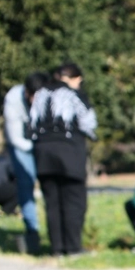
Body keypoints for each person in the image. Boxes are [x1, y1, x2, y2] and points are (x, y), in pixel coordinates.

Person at [30, 62, 97, 257]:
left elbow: (32, 123)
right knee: (74, 201)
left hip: (43, 154)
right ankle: (73, 248)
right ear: (72, 78)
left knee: (52, 202)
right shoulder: (73, 95)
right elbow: (88, 123)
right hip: (69, 153)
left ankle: (57, 248)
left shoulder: (40, 93)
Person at [2, 72, 48, 255]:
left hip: (42, 141)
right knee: (26, 183)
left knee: (50, 184)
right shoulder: (13, 100)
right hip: (22, 144)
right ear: (27, 93)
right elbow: (15, 139)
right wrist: (37, 147)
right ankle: (32, 230)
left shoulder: (49, 97)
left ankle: (56, 230)